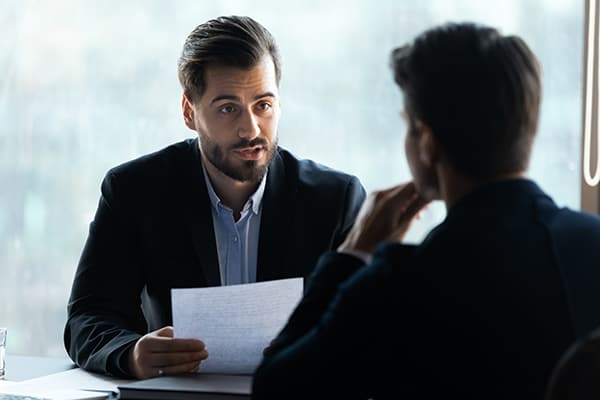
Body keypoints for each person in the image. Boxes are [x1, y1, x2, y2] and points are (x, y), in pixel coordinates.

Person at [251, 22, 600, 399]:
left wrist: (351, 255)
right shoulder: (592, 245)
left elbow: (275, 388)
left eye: (407, 127)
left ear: (427, 143)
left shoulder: (399, 285)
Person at [63, 15, 366, 380]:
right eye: (228, 108)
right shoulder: (134, 191)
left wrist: (318, 351)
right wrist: (131, 354)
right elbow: (88, 317)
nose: (250, 128)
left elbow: (372, 328)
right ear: (190, 113)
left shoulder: (335, 200)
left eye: (263, 105)